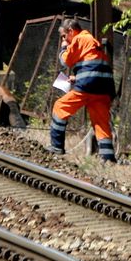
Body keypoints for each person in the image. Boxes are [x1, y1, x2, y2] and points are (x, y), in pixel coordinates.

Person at [49, 18, 116, 162]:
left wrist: (63, 48)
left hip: (89, 85)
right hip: (104, 88)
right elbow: (93, 65)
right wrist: (76, 78)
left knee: (59, 107)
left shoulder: (80, 38)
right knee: (101, 122)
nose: (65, 39)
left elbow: (65, 60)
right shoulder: (90, 41)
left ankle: (56, 148)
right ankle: (108, 158)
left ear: (71, 31)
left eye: (64, 36)